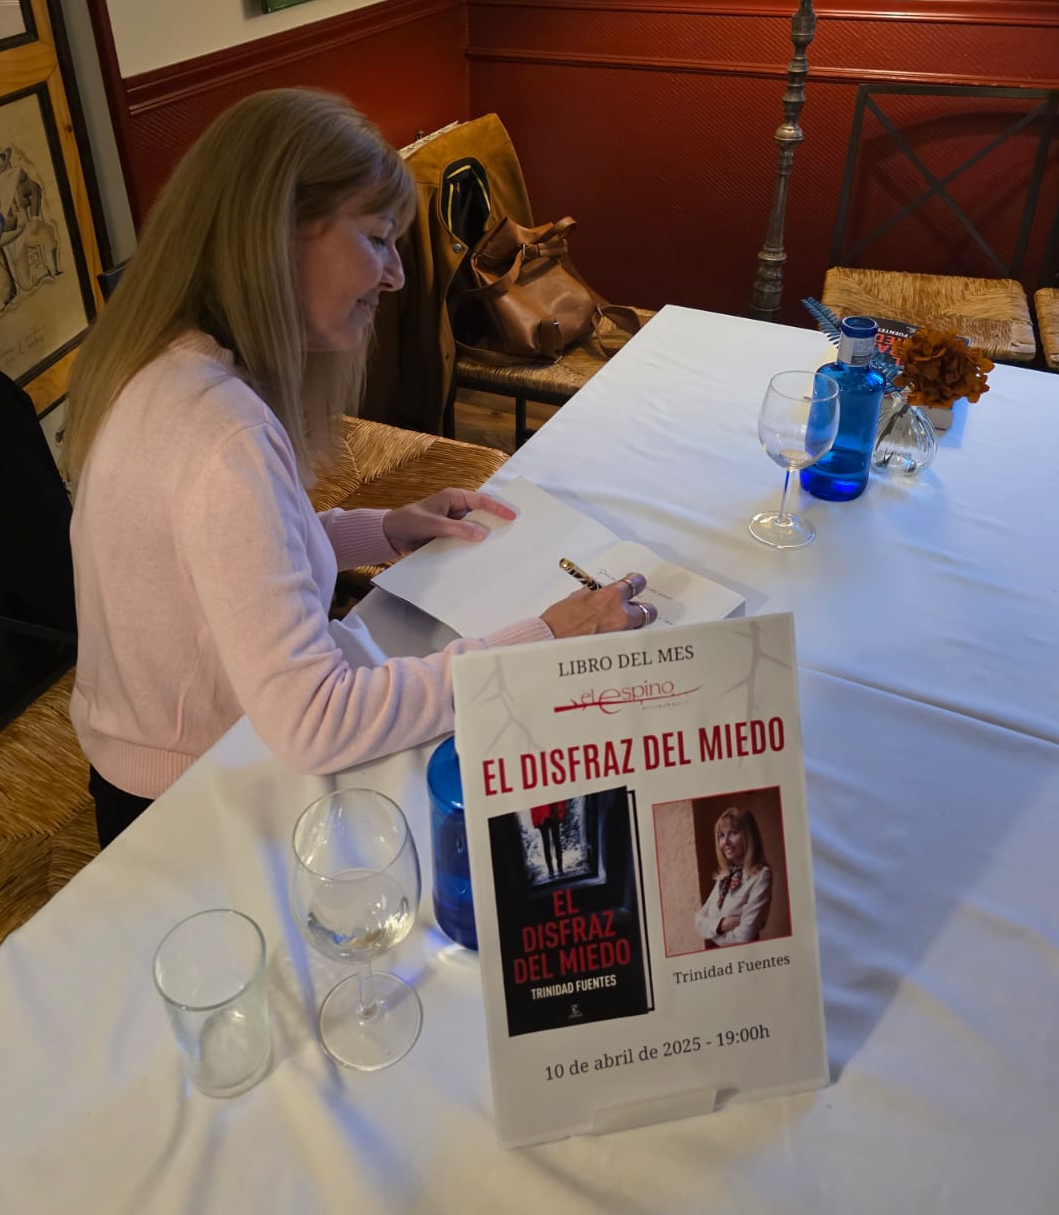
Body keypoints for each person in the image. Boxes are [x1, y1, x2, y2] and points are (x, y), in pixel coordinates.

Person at [63, 89, 658, 847]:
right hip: (190, 805)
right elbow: (317, 721)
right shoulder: (223, 433)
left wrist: (380, 530)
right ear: (276, 233)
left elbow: (221, 556)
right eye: (378, 240)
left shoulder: (164, 365)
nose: (396, 276)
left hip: (153, 759)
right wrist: (544, 639)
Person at [693, 806, 771, 948]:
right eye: (721, 836)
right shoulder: (724, 877)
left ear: (749, 836)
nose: (725, 842)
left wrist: (713, 932)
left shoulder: (761, 875)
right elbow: (698, 921)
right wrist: (722, 925)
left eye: (733, 833)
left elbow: (745, 935)